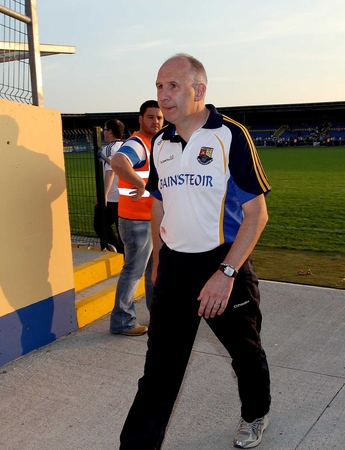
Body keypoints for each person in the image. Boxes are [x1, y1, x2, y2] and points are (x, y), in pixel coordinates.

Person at [119, 54, 272, 449]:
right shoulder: (162, 144)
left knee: (244, 351)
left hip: (221, 263)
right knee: (160, 372)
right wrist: (157, 257)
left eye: (172, 86)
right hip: (173, 267)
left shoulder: (230, 135)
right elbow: (158, 202)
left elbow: (257, 214)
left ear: (199, 90)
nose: (163, 96)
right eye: (158, 86)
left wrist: (226, 274)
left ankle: (255, 414)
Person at [108, 101, 163, 336]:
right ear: (140, 119)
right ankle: (122, 322)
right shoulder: (138, 143)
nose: (156, 121)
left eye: (159, 118)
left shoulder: (154, 143)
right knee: (134, 271)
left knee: (154, 271)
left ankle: (157, 316)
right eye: (151, 117)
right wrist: (139, 182)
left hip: (150, 219)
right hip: (136, 221)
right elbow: (118, 162)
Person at [97, 118, 125, 254]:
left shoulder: (109, 148)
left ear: (111, 132)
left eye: (105, 130)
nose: (104, 133)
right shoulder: (126, 146)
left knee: (99, 225)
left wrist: (104, 196)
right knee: (122, 230)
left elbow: (110, 172)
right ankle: (125, 254)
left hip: (113, 197)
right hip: (124, 196)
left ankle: (119, 251)